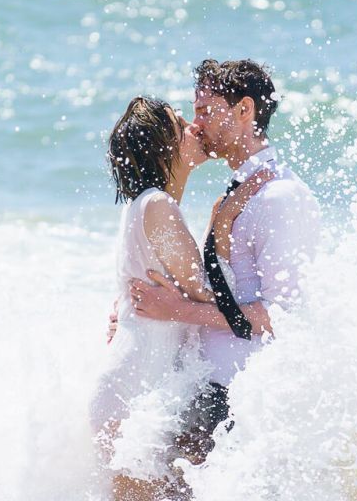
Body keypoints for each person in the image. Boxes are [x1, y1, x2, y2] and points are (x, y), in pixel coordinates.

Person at [112, 59, 321, 464]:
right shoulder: (234, 195)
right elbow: (209, 279)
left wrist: (178, 310)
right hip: (201, 389)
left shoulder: (279, 197)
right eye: (193, 113)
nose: (196, 125)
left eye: (206, 112)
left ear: (245, 111)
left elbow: (281, 315)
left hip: (238, 399)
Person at [92, 95, 271, 500]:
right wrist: (224, 221)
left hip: (132, 392)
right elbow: (210, 297)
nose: (194, 126)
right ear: (164, 147)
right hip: (134, 398)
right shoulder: (157, 205)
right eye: (180, 124)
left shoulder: (149, 205)